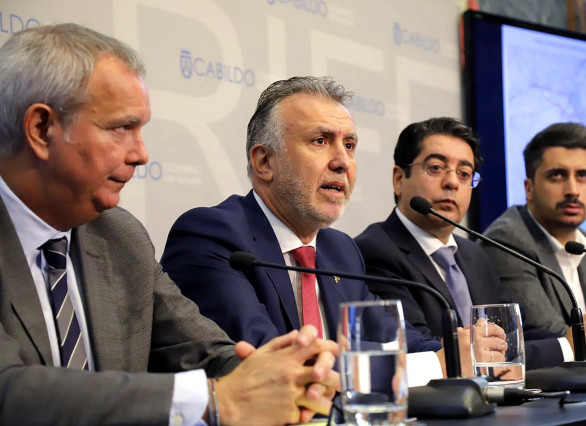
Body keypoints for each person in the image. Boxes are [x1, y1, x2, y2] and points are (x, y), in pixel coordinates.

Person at [0, 24, 338, 425]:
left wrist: (286, 377)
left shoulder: (119, 236)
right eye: (121, 128)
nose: (141, 154)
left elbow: (202, 352)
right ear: (41, 128)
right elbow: (10, 389)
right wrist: (214, 400)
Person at [161, 77, 504, 378]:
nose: (342, 162)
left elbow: (390, 336)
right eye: (320, 141)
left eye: (350, 145)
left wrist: (457, 349)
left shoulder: (339, 249)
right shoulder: (211, 236)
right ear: (265, 162)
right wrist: (438, 365)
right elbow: (275, 363)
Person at [355, 117, 570, 371]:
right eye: (436, 167)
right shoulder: (375, 251)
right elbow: (426, 351)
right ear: (399, 179)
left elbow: (514, 334)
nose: (452, 182)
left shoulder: (474, 253)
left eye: (464, 173)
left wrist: (578, 337)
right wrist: (567, 349)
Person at [482, 122, 586, 367]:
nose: (572, 190)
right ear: (529, 188)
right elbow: (553, 336)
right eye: (557, 175)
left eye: (582, 176)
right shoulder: (507, 241)